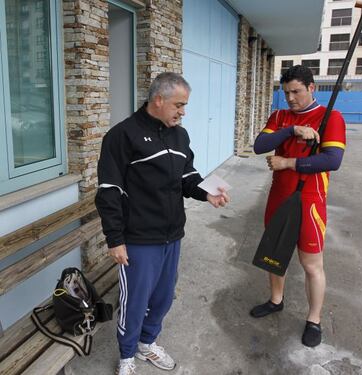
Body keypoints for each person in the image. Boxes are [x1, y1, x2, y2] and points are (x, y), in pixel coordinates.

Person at [95, 72, 230, 375]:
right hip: (138, 238)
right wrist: (115, 239)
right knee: (135, 300)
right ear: (158, 100)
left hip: (172, 235)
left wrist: (207, 192)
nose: (183, 112)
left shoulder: (179, 135)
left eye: (185, 106)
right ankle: (127, 356)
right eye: (178, 105)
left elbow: (187, 176)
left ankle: (147, 343)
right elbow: (108, 191)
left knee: (163, 296)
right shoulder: (122, 135)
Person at [250, 65, 346, 347]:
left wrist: (288, 163)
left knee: (311, 264)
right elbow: (260, 145)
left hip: (310, 200)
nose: (291, 98)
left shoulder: (330, 118)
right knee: (275, 254)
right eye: (286, 92)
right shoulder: (280, 116)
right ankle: (276, 300)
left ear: (312, 88)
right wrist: (292, 130)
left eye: (297, 91)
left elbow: (332, 161)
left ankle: (313, 320)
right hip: (279, 196)